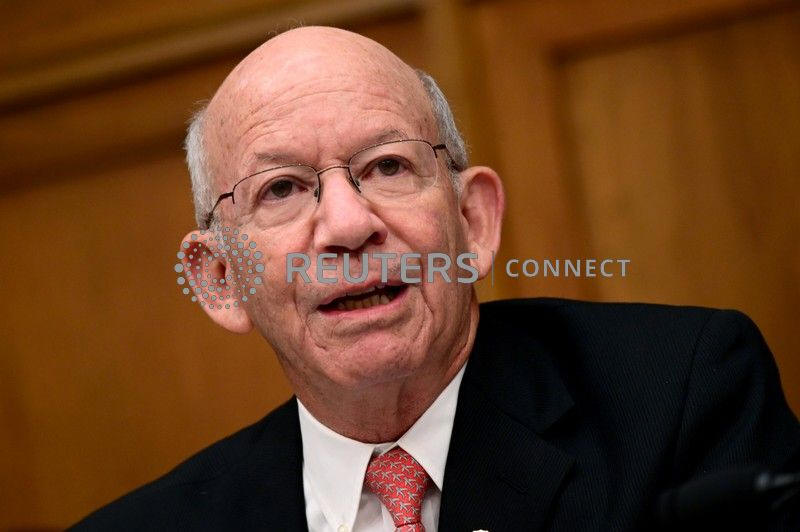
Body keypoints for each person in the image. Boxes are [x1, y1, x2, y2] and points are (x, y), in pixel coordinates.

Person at [73, 26, 800, 531]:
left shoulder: (683, 396)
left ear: (473, 221)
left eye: (388, 166)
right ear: (221, 278)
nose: (347, 224)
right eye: (282, 189)